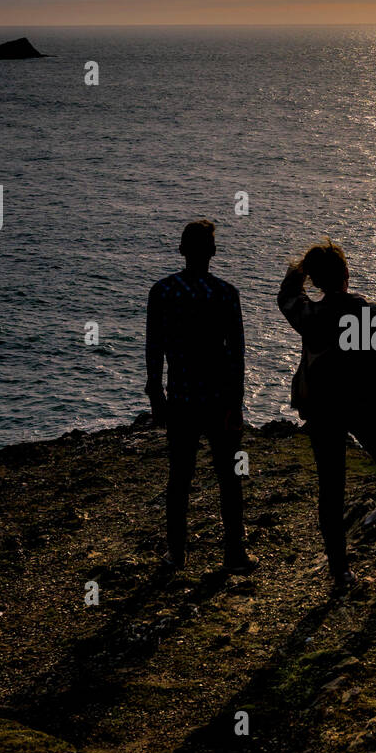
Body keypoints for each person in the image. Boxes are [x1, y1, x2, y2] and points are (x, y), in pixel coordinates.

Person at [277, 237, 376, 592]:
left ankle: (341, 572)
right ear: (347, 272)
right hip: (365, 408)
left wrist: (298, 271)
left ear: (316, 280)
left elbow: (287, 298)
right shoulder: (370, 313)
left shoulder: (312, 316)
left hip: (321, 409)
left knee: (331, 488)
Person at [145, 219, 250, 573]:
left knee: (179, 478)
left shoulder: (162, 292)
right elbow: (236, 354)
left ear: (182, 250)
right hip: (219, 399)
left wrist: (155, 392)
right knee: (229, 478)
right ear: (213, 252)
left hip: (181, 398)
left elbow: (153, 347)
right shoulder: (225, 294)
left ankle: (177, 553)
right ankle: (234, 553)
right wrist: (236, 405)